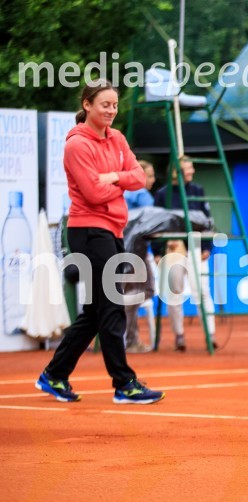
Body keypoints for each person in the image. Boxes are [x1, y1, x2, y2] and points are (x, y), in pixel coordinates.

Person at [34, 80, 164, 404]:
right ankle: (124, 384)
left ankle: (54, 374)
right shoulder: (77, 145)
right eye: (104, 104)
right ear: (87, 104)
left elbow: (138, 176)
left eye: (115, 105)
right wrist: (119, 182)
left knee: (94, 312)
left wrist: (114, 177)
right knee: (111, 306)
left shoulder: (117, 138)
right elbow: (93, 193)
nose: (110, 110)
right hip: (89, 232)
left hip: (111, 230)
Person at [154, 156, 216, 352]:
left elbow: (207, 220)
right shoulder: (163, 194)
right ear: (176, 171)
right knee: (174, 293)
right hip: (172, 249)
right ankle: (179, 334)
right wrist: (157, 250)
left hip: (195, 247)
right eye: (188, 169)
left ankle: (210, 334)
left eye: (191, 168)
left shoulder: (197, 190)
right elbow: (154, 222)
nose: (192, 172)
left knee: (203, 291)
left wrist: (207, 246)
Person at [124, 159, 157, 353]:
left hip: (119, 248)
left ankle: (126, 338)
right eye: (149, 176)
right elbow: (151, 222)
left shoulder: (121, 191)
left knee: (126, 294)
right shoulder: (142, 194)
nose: (152, 180)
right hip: (136, 250)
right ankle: (130, 340)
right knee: (143, 291)